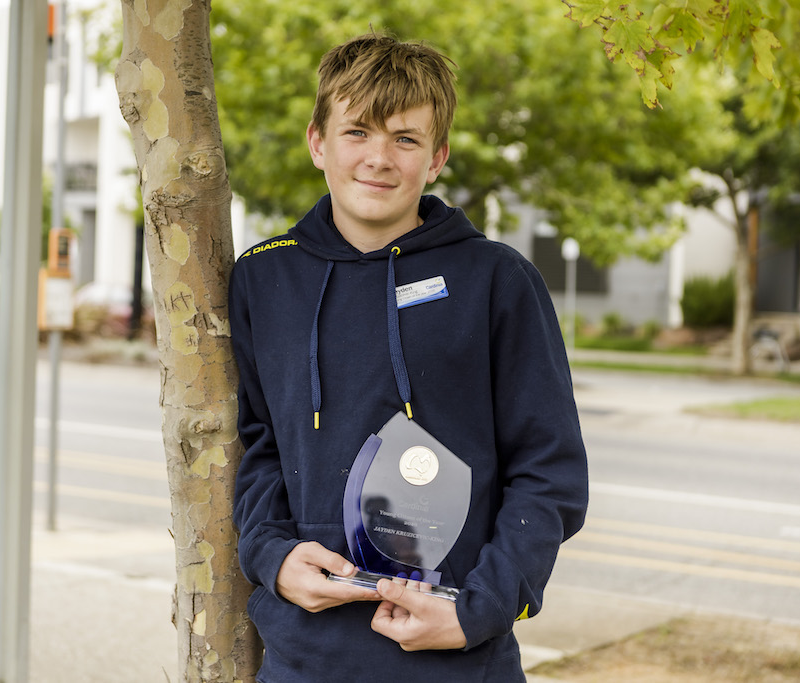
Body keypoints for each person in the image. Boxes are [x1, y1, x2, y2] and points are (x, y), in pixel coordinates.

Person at [228, 33, 588, 682]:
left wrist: (478, 609)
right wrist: (271, 556)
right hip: (302, 658)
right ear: (317, 142)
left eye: (405, 138)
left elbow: (550, 471)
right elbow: (256, 444)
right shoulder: (263, 278)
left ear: (438, 157)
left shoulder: (498, 281)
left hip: (457, 656)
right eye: (357, 132)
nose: (378, 158)